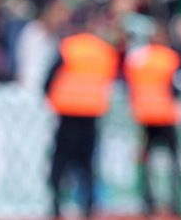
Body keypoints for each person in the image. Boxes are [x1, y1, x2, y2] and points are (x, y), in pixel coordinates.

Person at [43, 25, 119, 218]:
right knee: (87, 164)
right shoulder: (106, 51)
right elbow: (110, 78)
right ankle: (89, 206)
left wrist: (48, 95)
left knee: (60, 161)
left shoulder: (69, 47)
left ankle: (55, 206)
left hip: (68, 112)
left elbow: (50, 76)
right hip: (90, 113)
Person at [123, 27, 181, 216]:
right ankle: (175, 202)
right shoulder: (170, 57)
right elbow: (177, 86)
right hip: (165, 115)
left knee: (146, 162)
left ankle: (147, 201)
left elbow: (130, 84)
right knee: (174, 160)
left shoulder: (138, 58)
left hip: (145, 116)